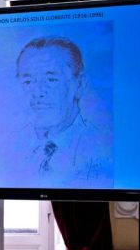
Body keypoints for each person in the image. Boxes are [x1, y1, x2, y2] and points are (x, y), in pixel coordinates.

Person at [8, 36, 112, 187]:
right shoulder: (8, 148)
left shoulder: (102, 150)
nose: (37, 92)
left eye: (51, 80)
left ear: (80, 84)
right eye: (28, 82)